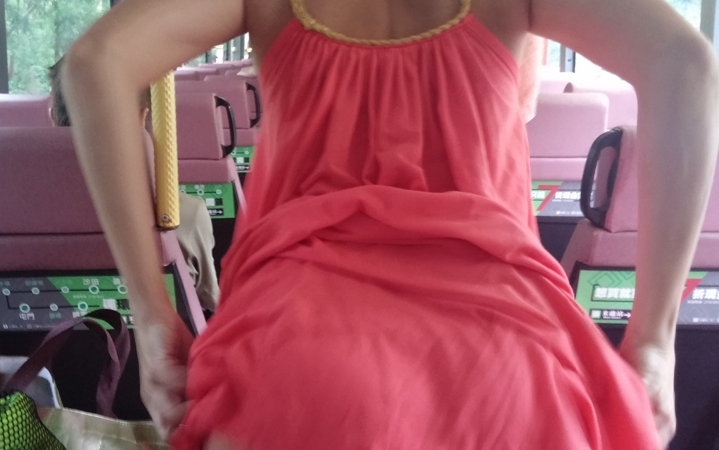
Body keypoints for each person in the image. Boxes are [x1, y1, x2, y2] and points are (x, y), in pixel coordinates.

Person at [61, 0, 719, 448]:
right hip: (508, 353)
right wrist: (652, 340)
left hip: (292, 351)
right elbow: (686, 64)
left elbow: (96, 64)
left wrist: (153, 317)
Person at [49, 58, 220, 312]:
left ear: (53, 118)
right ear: (143, 117)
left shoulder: (11, 221)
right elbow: (209, 302)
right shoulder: (184, 214)